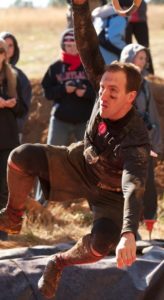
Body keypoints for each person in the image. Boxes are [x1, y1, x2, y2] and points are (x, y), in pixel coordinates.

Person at [0, 1, 150, 299]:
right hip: (79, 162)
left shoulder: (136, 138)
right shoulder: (103, 84)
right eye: (102, 88)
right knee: (21, 156)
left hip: (111, 194)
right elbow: (87, 46)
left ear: (131, 97)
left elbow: (133, 186)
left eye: (113, 92)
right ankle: (13, 215)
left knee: (100, 245)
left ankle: (58, 263)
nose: (103, 96)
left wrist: (129, 233)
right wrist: (80, 6)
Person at [35, 28, 95, 204]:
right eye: (68, 45)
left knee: (90, 160)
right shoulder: (55, 68)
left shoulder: (89, 66)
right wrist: (63, 90)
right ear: (63, 45)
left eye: (74, 45)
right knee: (50, 158)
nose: (71, 48)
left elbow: (100, 91)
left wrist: (85, 93)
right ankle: (41, 202)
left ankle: (95, 203)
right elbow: (47, 93)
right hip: (60, 120)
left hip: (85, 121)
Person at [120, 43, 162, 223]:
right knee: (125, 182)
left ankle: (149, 220)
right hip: (123, 141)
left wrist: (155, 143)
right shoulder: (117, 81)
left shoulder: (144, 83)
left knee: (148, 183)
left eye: (144, 58)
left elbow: (152, 115)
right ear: (128, 58)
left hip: (144, 142)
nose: (143, 62)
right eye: (139, 57)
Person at [0, 38, 26, 240]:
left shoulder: (12, 77)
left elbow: (23, 109)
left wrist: (11, 104)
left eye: (1, 51)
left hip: (7, 139)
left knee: (5, 187)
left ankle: (2, 235)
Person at [0, 32, 32, 143]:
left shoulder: (18, 77)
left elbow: (23, 108)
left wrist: (13, 105)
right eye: (5, 46)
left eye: (11, 45)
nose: (7, 50)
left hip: (10, 135)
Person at [120, 0, 154, 74]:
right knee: (127, 49)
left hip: (140, 18)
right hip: (125, 19)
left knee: (145, 49)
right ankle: (127, 74)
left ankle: (150, 76)